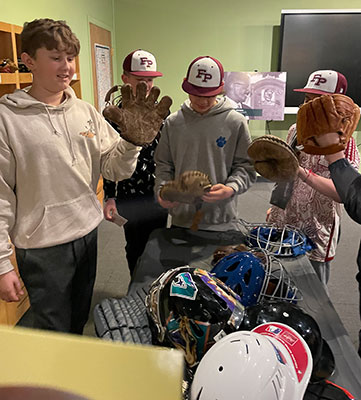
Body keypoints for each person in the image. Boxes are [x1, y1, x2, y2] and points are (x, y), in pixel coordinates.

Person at [0, 19, 142, 334]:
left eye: (70, 57)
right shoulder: (7, 118)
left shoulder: (85, 111)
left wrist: (132, 143)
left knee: (79, 320)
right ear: (29, 61)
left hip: (87, 234)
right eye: (56, 57)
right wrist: (2, 265)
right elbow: (1, 197)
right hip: (41, 246)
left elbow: (114, 167)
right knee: (53, 331)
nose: (67, 67)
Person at [267, 70, 360, 286]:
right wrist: (277, 209)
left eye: (317, 103)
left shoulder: (345, 142)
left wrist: (302, 173)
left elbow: (342, 194)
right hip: (286, 221)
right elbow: (285, 175)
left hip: (317, 229)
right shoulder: (295, 130)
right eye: (307, 100)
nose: (308, 108)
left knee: (314, 294)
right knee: (279, 284)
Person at [155, 56, 257, 232]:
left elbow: (246, 166)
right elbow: (164, 163)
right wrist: (163, 190)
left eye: (210, 95)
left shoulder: (236, 122)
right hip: (182, 218)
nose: (203, 101)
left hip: (222, 218)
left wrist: (231, 188)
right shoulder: (173, 122)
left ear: (220, 90)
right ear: (186, 87)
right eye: (197, 94)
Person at [103, 50, 168, 277]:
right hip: (129, 193)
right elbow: (107, 159)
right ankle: (135, 292)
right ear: (125, 79)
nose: (146, 85)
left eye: (150, 80)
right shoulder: (114, 115)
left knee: (158, 245)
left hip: (158, 191)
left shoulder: (160, 113)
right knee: (135, 246)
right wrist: (109, 196)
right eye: (140, 80)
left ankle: (156, 293)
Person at [315, 131, 361, 356]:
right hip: (294, 219)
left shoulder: (347, 140)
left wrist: (334, 153)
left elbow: (351, 196)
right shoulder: (296, 132)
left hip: (321, 223)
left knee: (317, 289)